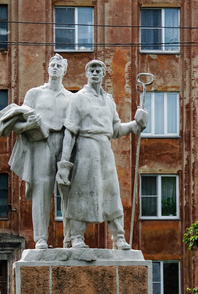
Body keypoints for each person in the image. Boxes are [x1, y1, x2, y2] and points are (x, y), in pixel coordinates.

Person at [56, 60, 149, 250]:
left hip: (105, 148)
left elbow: (115, 129)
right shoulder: (78, 98)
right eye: (92, 69)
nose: (95, 72)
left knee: (111, 191)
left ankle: (119, 237)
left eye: (99, 69)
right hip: (86, 147)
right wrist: (64, 164)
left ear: (104, 73)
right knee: (81, 191)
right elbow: (70, 131)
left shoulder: (109, 100)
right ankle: (76, 237)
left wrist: (134, 125)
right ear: (86, 73)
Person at [0, 54, 72, 249]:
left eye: (59, 65)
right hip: (41, 142)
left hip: (64, 142)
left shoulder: (71, 97)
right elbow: (17, 124)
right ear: (48, 69)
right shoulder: (35, 94)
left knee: (68, 190)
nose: (55, 68)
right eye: (52, 65)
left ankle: (71, 238)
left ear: (64, 70)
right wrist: (28, 125)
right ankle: (41, 239)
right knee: (42, 189)